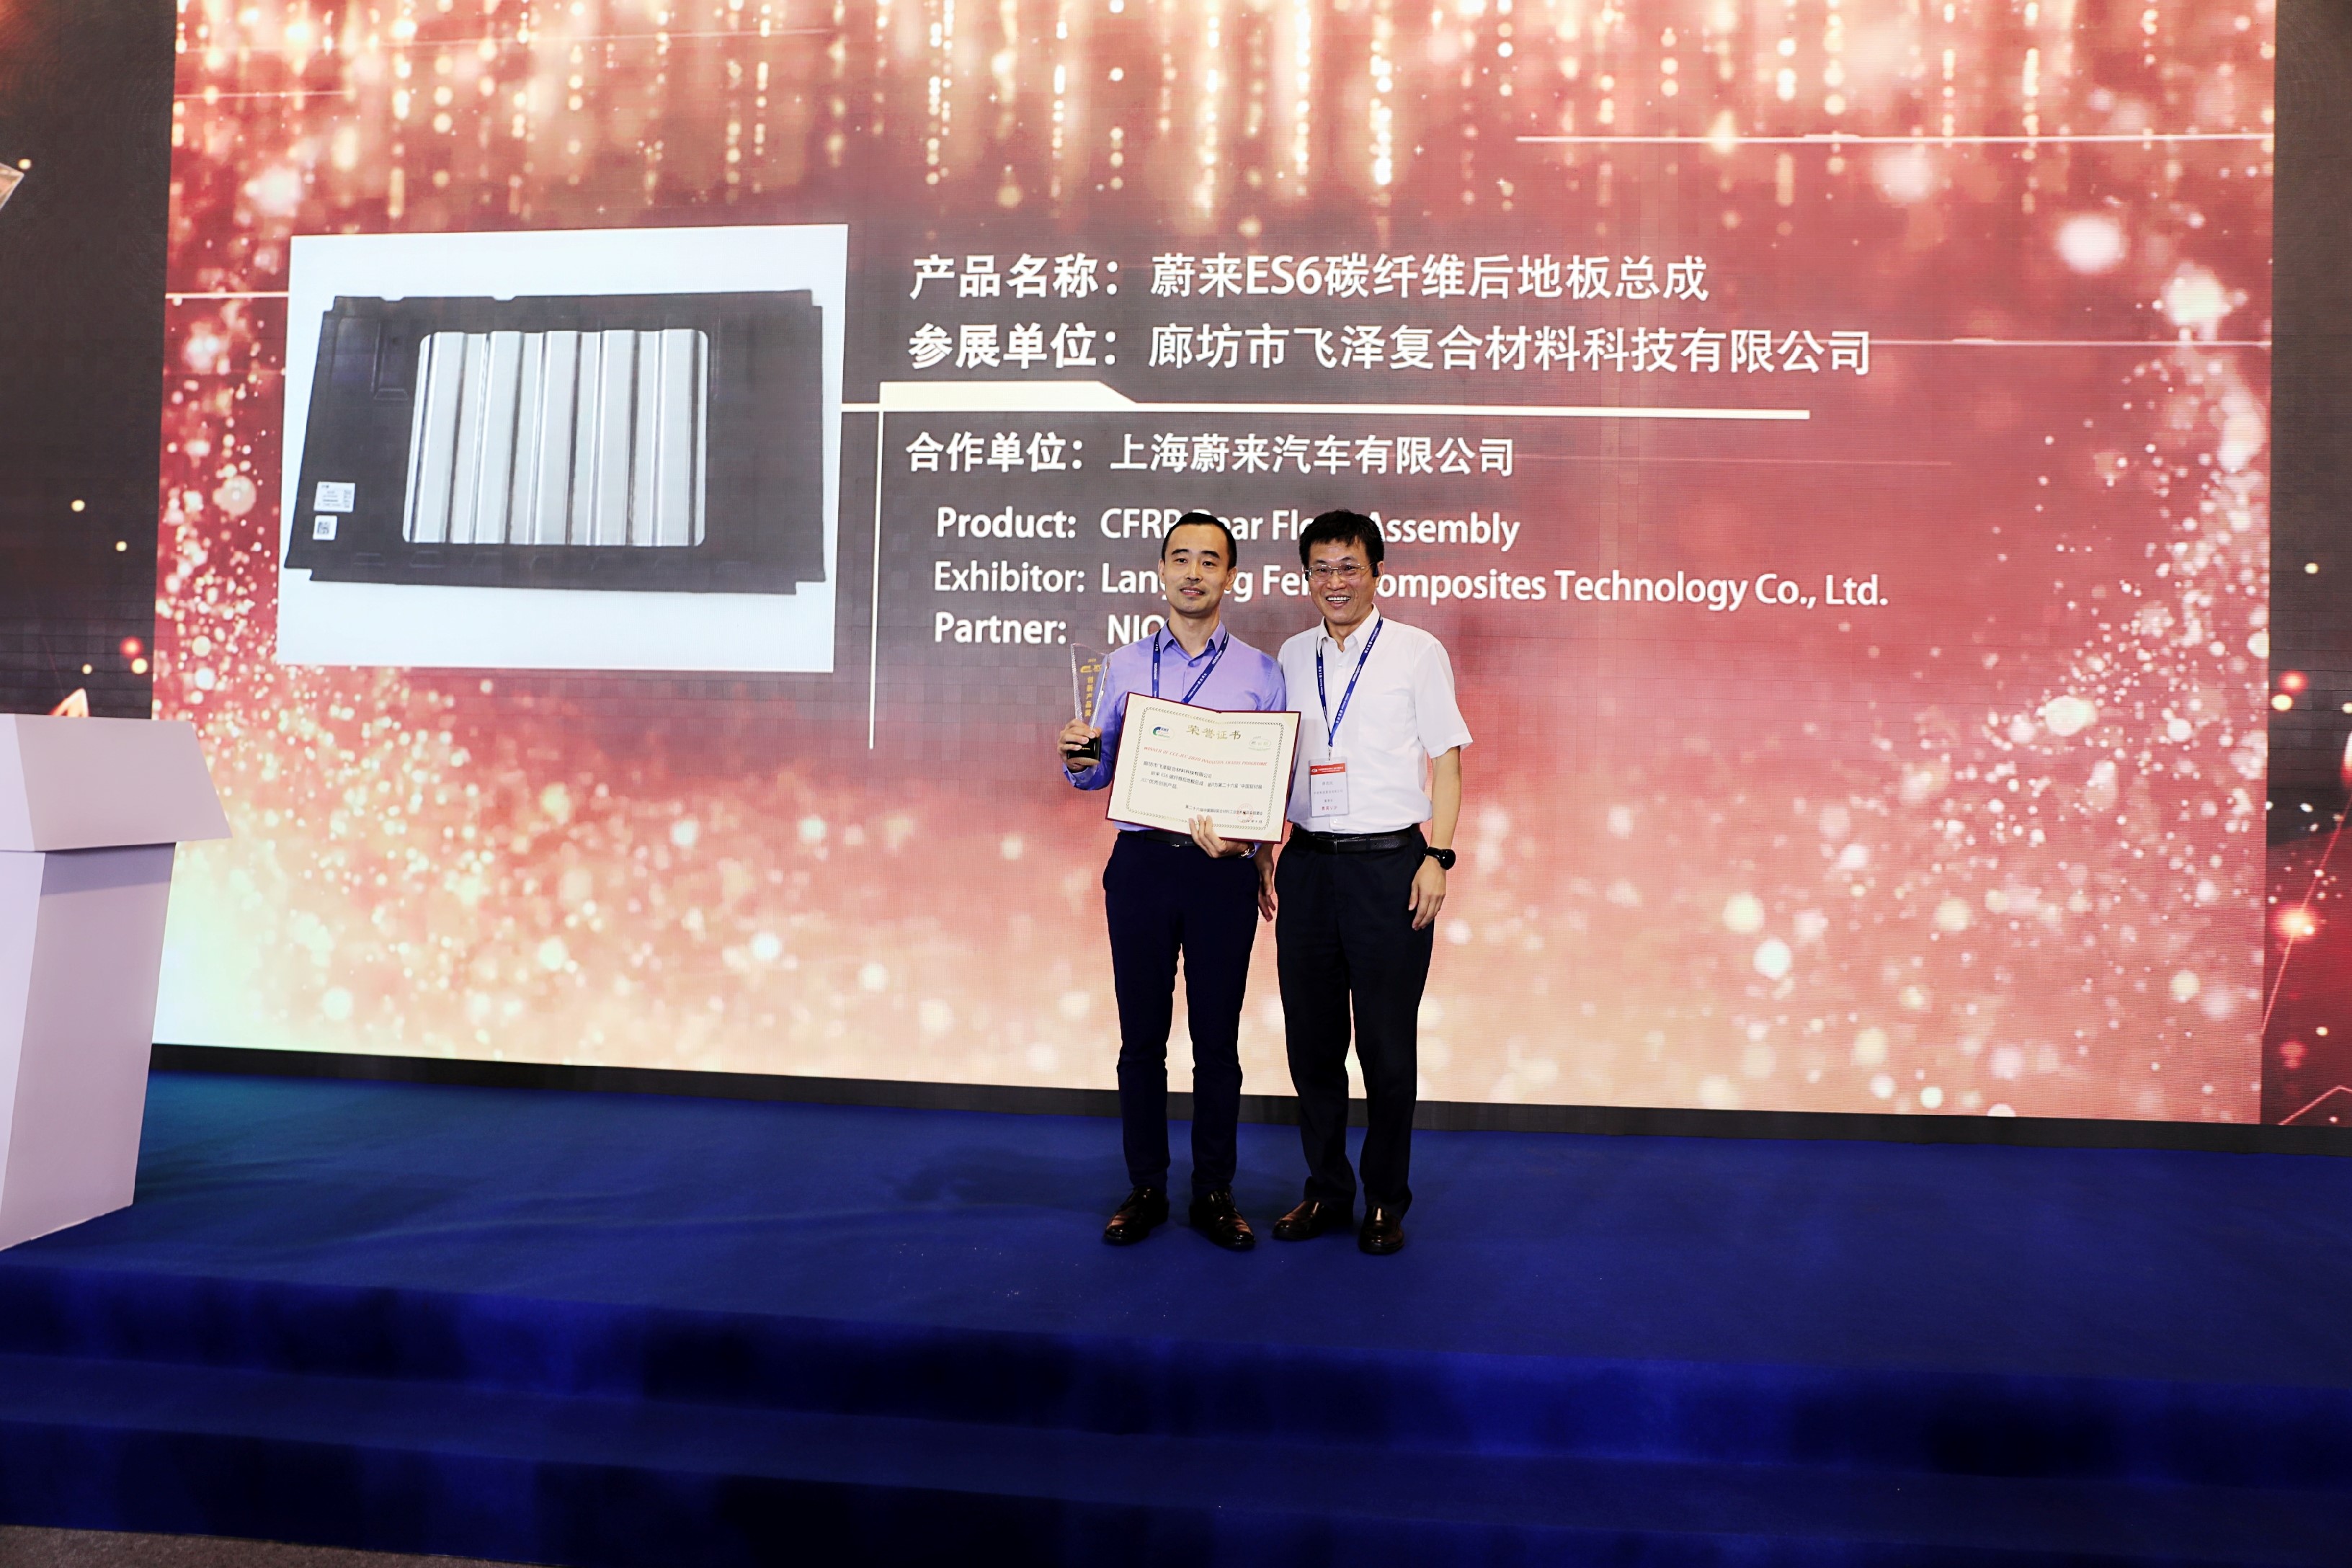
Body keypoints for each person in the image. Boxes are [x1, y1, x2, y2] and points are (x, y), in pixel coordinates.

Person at [1059, 511, 1285, 1251]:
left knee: (1217, 1041)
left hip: (1221, 871)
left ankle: (1214, 1189)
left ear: (1231, 577)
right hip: (1143, 865)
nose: (1194, 572)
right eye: (1181, 558)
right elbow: (1095, 772)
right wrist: (1078, 756)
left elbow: (1271, 780)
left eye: (1209, 560)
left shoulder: (1261, 671)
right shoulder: (1121, 667)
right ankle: (1147, 1187)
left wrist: (1254, 841)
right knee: (1141, 1040)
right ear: (1161, 571)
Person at [1268, 509, 1469, 1256]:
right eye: (1321, 569)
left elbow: (1447, 760)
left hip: (1391, 867)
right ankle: (1326, 1190)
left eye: (1349, 567)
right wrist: (1263, 845)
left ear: (1376, 573)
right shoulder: (1291, 655)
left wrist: (1438, 855)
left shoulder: (1417, 652)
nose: (1335, 582)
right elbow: (1275, 758)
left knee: (1386, 1045)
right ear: (1306, 577)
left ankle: (1386, 1198)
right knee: (1312, 1044)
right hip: (1308, 864)